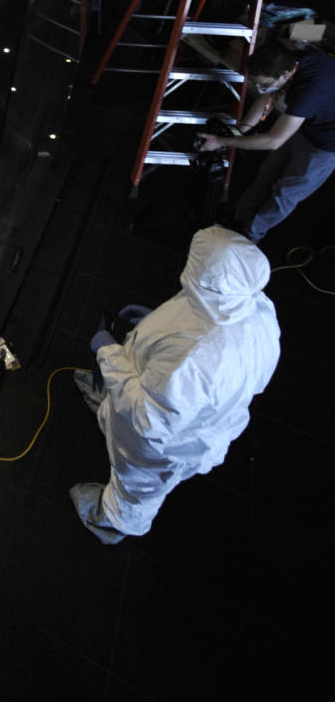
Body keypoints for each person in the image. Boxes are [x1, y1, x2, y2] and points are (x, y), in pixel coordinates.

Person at [70, 226, 279, 544]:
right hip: (195, 417)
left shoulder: (197, 358)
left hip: (161, 444)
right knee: (124, 414)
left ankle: (114, 521)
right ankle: (110, 406)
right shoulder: (256, 309)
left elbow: (147, 419)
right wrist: (157, 323)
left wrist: (108, 352)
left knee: (135, 485)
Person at [197, 40, 335, 242]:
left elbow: (273, 141)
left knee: (286, 193)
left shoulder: (310, 90)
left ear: (285, 75)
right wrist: (237, 133)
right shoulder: (292, 61)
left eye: (265, 83)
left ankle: (250, 234)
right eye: (257, 83)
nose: (260, 88)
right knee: (267, 173)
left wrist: (221, 142)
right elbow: (267, 98)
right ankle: (238, 219)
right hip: (305, 125)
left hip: (326, 144)